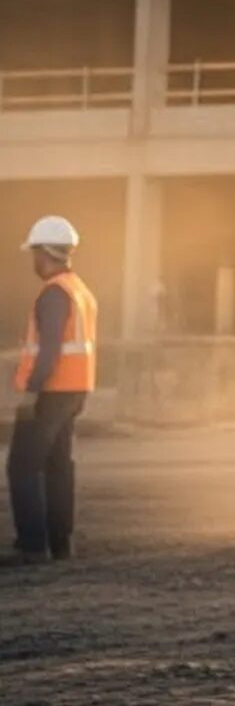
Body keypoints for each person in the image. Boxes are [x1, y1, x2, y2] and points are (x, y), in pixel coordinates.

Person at [7, 215, 97, 566]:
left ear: (44, 253)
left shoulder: (54, 293)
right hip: (75, 388)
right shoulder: (80, 290)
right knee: (58, 465)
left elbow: (49, 349)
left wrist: (32, 391)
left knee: (22, 466)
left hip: (52, 390)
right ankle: (60, 544)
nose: (33, 261)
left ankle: (32, 545)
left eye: (34, 253)